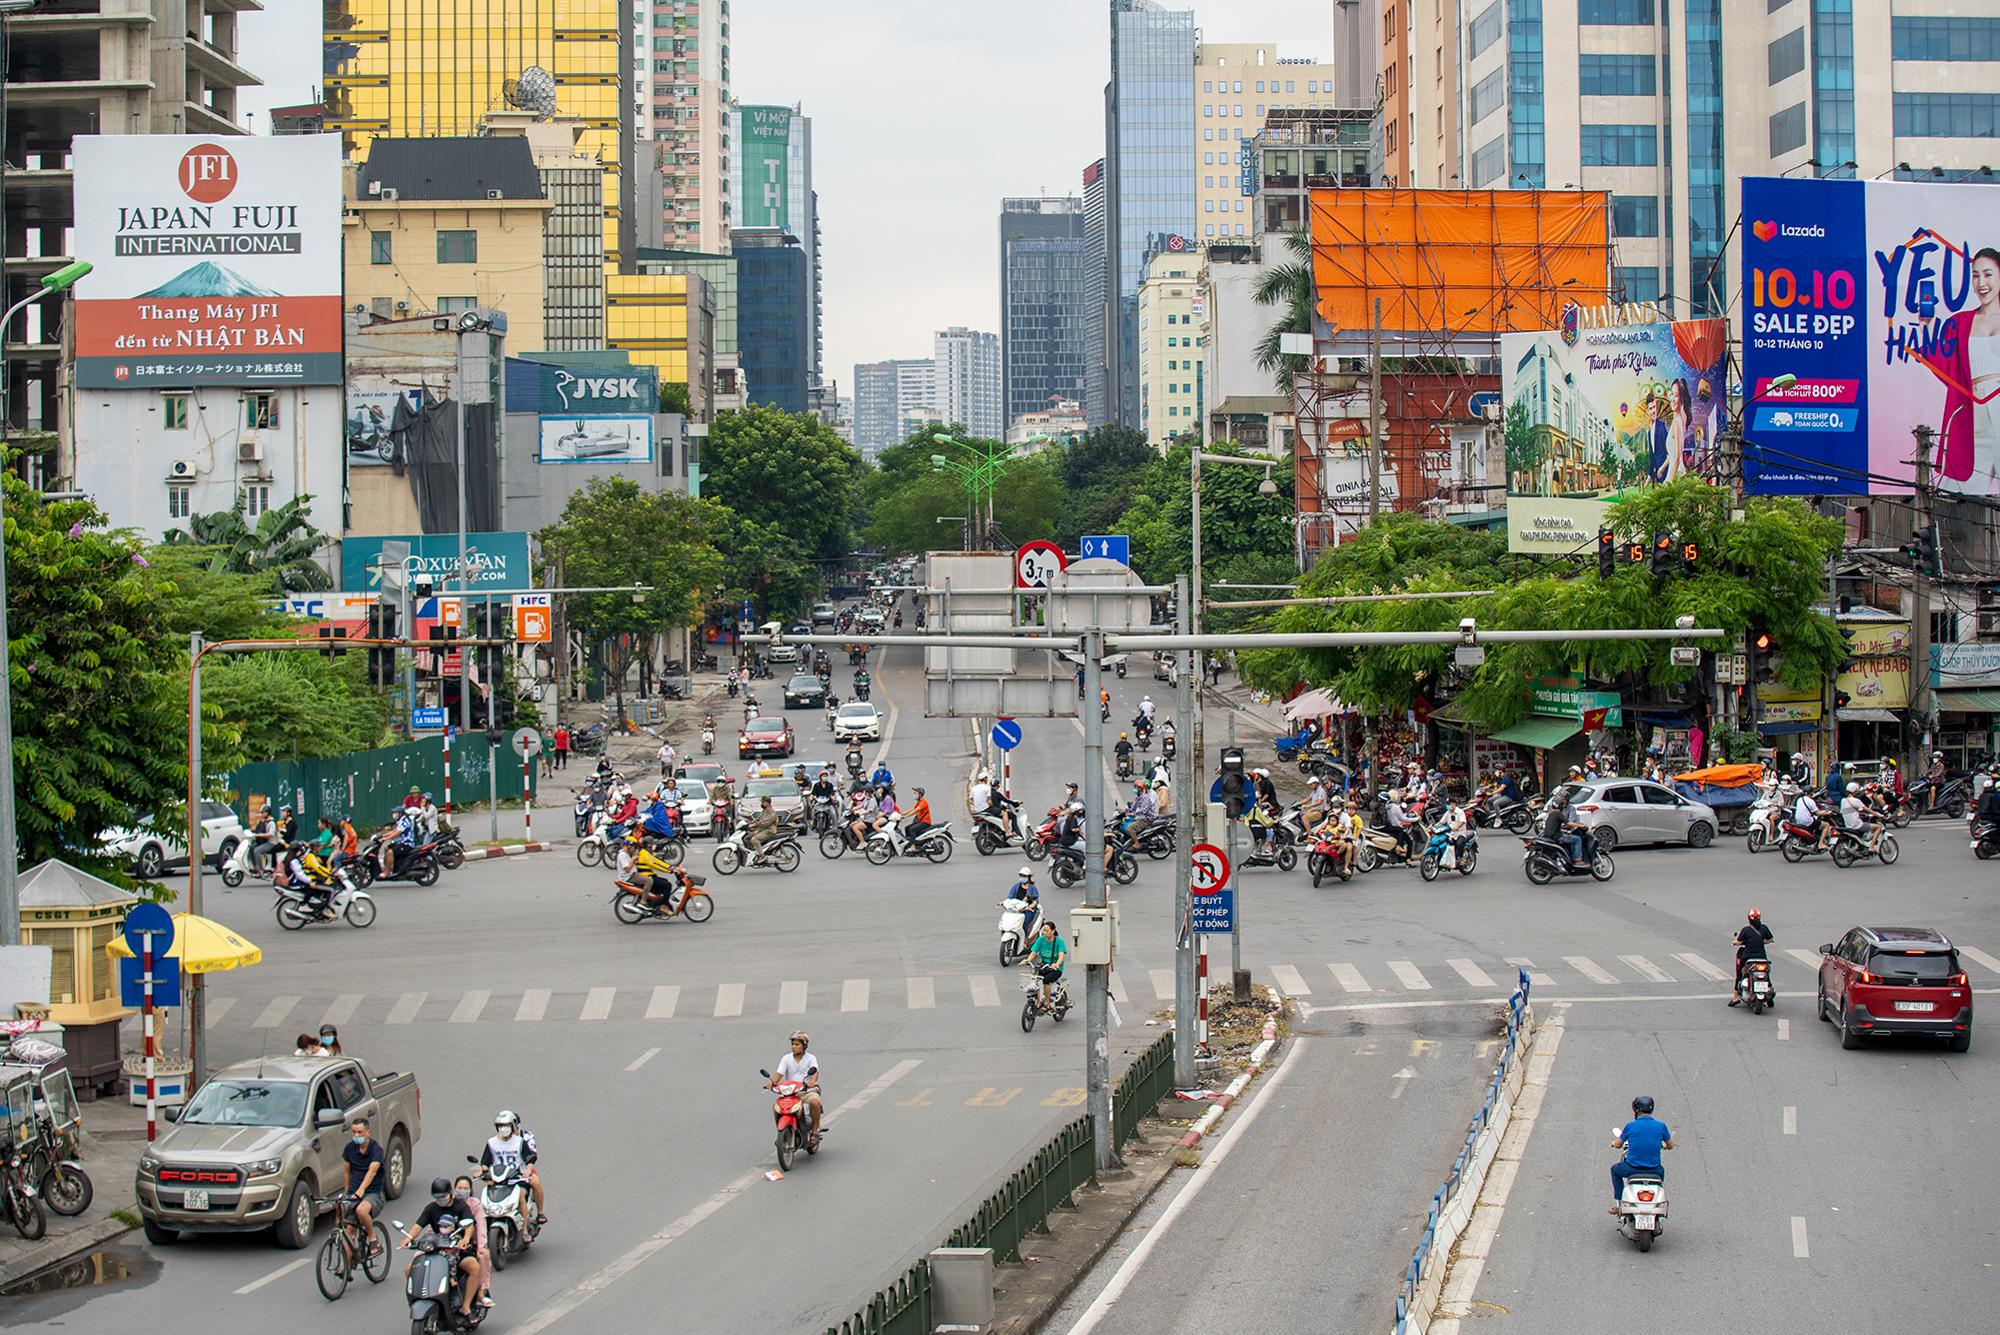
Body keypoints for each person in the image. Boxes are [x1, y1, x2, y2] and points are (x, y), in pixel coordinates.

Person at [405, 1177, 481, 1321]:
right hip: (436, 1250)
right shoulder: (431, 1208)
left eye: (443, 1197)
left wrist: (465, 1239)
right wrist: (409, 1237)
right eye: (437, 1197)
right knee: (410, 1269)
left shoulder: (461, 1207)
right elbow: (418, 1225)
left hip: (459, 1249)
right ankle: (423, 1298)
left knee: (474, 1267)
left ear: (450, 1193)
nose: (440, 1200)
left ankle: (465, 1306)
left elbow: (469, 1225)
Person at [1609, 1096, 1674, 1211]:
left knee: (1615, 1170)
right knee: (1661, 1172)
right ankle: (1657, 1200)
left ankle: (1619, 1203)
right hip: (1654, 1170)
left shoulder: (1631, 1126)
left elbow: (1619, 1144)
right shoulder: (1661, 1126)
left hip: (1632, 1169)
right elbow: (1671, 1145)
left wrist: (1614, 1143)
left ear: (1636, 1109)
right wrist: (1665, 1146)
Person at [482, 1110, 546, 1224]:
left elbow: (531, 1154)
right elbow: (486, 1161)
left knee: (535, 1181)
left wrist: (528, 1169)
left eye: (506, 1125)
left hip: (520, 1170)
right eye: (501, 1126)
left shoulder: (524, 1138)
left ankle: (539, 1212)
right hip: (500, 1174)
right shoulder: (493, 1142)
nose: (503, 1129)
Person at [766, 1031, 824, 1149]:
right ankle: (782, 1132)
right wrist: (771, 1083)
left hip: (807, 1090)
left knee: (815, 1102)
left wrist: (812, 1081)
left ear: (804, 1046)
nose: (794, 1047)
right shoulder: (786, 1059)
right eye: (793, 1044)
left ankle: (814, 1131)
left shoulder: (811, 1058)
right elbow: (779, 1074)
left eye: (797, 1044)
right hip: (790, 1092)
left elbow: (815, 1073)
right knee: (776, 1107)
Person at [451, 1173, 496, 1308]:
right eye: (460, 1188)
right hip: (449, 1244)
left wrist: (481, 1246)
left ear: (470, 1190)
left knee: (483, 1257)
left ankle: (481, 1293)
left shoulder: (474, 1205)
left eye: (466, 1188)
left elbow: (481, 1226)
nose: (462, 1191)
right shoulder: (449, 1203)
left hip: (470, 1243)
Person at [344, 1116, 387, 1241]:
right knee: (348, 1232)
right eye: (354, 1132)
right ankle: (349, 1260)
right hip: (354, 1193)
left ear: (368, 1132)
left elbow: (372, 1171)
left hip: (373, 1194)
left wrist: (361, 1189)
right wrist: (347, 1193)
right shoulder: (349, 1149)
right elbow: (346, 1171)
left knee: (361, 1211)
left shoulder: (376, 1150)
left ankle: (372, 1237)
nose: (356, 1135)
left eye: (360, 1132)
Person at [1728, 908, 1774, 1006]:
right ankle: (1770, 997)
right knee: (1767, 975)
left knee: (1740, 975)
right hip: (1762, 958)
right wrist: (1763, 941)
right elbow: (1770, 939)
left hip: (1748, 958)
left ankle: (1735, 997)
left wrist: (1734, 942)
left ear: (1749, 919)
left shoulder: (1746, 930)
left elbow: (1738, 942)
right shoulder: (1764, 928)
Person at [1028, 919, 1067, 1012]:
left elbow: (1061, 955)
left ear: (1053, 931)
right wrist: (1027, 960)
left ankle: (1047, 1003)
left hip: (1056, 969)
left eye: (1046, 931)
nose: (1044, 933)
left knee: (1046, 980)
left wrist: (1056, 964)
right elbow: (1034, 952)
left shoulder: (1059, 941)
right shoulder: (1041, 939)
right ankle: (1038, 1001)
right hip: (1043, 966)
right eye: (1043, 931)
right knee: (1035, 980)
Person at [1541, 794, 1584, 869]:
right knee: (1577, 839)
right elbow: (1569, 823)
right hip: (1557, 836)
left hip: (1550, 834)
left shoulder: (1552, 814)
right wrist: (1581, 825)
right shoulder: (1559, 814)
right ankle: (1578, 860)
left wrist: (1564, 830)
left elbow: (1556, 825)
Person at [744, 796, 782, 864]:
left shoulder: (771, 812)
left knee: (754, 839)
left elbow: (765, 823)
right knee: (746, 838)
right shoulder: (765, 810)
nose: (761, 803)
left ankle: (762, 856)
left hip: (769, 831)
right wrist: (748, 823)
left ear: (767, 803)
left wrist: (754, 825)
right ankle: (755, 852)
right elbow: (758, 819)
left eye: (763, 802)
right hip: (761, 830)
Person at [1008, 866, 1042, 937]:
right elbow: (1010, 898)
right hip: (1017, 909)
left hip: (1028, 910)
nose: (1022, 877)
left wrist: (1028, 907)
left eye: (1024, 876)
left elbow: (1035, 901)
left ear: (1028, 877)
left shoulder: (1032, 888)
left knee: (1023, 923)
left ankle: (1025, 939)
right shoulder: (1016, 887)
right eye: (1021, 876)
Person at [248, 804, 281, 874]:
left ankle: (261, 870)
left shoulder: (271, 823)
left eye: (263, 812)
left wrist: (260, 835)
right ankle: (255, 867)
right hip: (265, 842)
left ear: (267, 812)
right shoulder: (264, 821)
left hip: (271, 843)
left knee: (257, 851)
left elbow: (270, 834)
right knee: (251, 848)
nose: (262, 814)